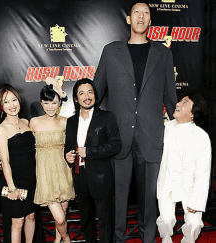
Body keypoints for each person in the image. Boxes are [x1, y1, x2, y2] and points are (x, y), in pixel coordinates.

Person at [93, 1, 178, 243]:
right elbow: (95, 93)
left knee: (149, 200)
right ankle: (118, 239)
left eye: (146, 12)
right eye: (136, 12)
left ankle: (148, 239)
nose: (141, 16)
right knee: (117, 200)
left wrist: (184, 130)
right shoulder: (111, 51)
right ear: (128, 19)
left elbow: (171, 97)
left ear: (150, 21)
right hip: (118, 138)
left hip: (151, 138)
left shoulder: (163, 53)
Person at [64, 78, 121, 243]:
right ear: (75, 98)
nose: (87, 96)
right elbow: (67, 147)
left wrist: (89, 152)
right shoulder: (71, 121)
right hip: (80, 177)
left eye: (90, 92)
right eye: (82, 93)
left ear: (95, 95)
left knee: (105, 221)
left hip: (101, 177)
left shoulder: (106, 117)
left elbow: (116, 145)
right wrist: (67, 156)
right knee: (86, 219)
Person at [156, 93, 211, 243]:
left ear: (193, 113)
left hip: (190, 186)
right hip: (168, 183)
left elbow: (203, 173)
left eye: (185, 102)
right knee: (165, 221)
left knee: (193, 224)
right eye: (180, 101)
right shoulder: (165, 128)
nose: (178, 104)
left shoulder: (201, 137)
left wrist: (196, 201)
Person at [30, 78, 75, 243]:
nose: (50, 107)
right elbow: (26, 147)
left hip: (63, 172)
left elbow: (72, 145)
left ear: (59, 103)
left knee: (62, 215)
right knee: (61, 219)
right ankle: (67, 238)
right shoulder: (34, 123)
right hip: (45, 174)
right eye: (46, 102)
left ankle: (58, 240)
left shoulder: (65, 122)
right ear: (42, 103)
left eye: (54, 103)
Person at [0, 84, 36, 243]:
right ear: (1, 106)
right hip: (15, 180)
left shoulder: (27, 122)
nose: (12, 105)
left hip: (32, 179)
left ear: (19, 101)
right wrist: (12, 188)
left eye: (14, 100)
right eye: (6, 102)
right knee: (17, 221)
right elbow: (4, 162)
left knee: (31, 216)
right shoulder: (1, 130)